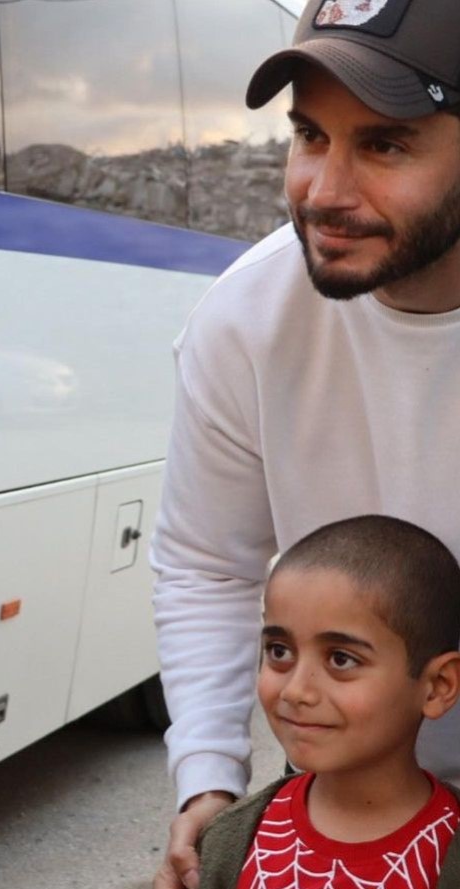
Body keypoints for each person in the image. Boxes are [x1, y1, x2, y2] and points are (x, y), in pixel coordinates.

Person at [150, 2, 460, 887]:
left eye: (385, 145)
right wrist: (206, 777)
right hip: (338, 785)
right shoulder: (244, 317)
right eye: (311, 135)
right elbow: (208, 559)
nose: (325, 190)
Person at [198, 515, 460, 889]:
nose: (295, 691)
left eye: (341, 659)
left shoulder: (449, 852)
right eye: (279, 651)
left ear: (437, 686)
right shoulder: (230, 840)